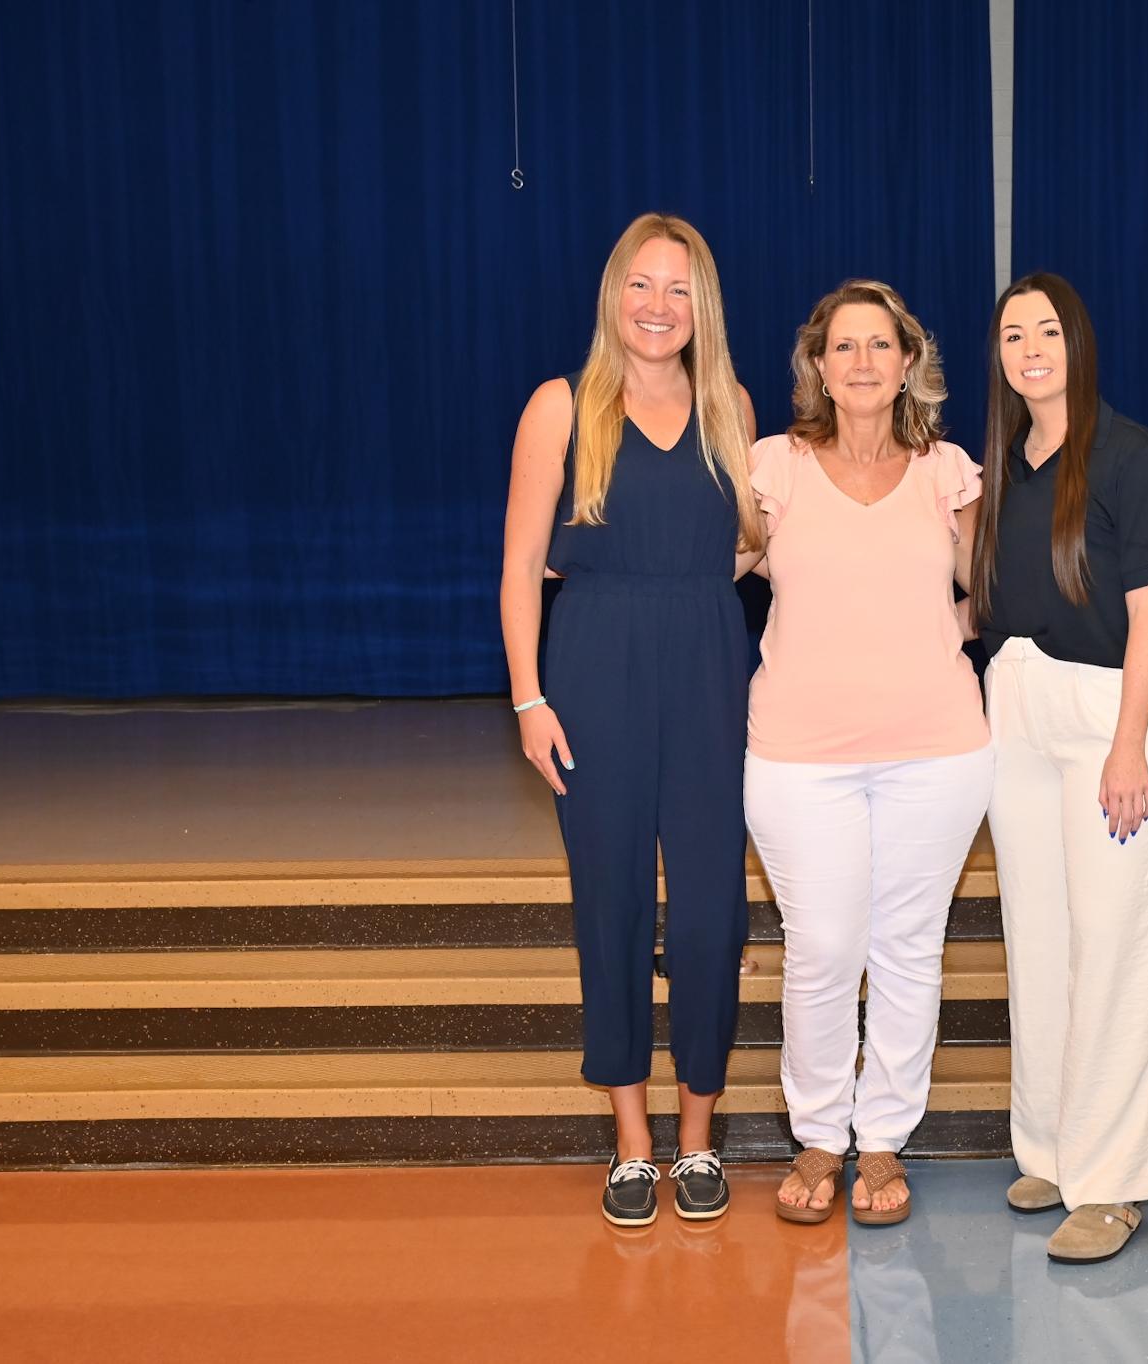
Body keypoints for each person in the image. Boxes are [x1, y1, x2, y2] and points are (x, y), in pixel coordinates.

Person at [500, 213, 761, 1228]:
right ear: (614, 294)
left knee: (708, 913)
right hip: (594, 666)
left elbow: (745, 547)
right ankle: (633, 1144)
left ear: (703, 305)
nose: (658, 305)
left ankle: (697, 1134)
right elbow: (522, 566)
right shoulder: (560, 407)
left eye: (678, 288)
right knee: (608, 902)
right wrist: (529, 698)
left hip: (706, 664)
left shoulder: (729, 405)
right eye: (641, 285)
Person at [745, 280, 992, 1227]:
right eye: (842, 346)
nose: (861, 361)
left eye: (879, 345)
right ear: (817, 364)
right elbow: (701, 568)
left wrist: (939, 630)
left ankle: (882, 1136)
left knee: (907, 948)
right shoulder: (775, 467)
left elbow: (994, 590)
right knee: (823, 947)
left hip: (936, 752)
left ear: (907, 362)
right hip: (799, 757)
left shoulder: (946, 471)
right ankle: (818, 1132)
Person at [971, 272, 1148, 1264]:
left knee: (1111, 945)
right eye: (1013, 333)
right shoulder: (1003, 467)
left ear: (1078, 343)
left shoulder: (1132, 456)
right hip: (1015, 708)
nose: (1030, 348)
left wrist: (1128, 743)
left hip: (1106, 716)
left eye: (1047, 330)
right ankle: (1054, 1149)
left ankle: (1113, 1182)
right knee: (1040, 937)